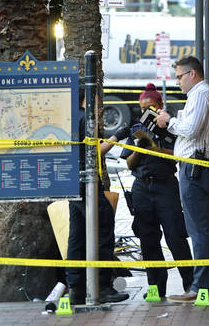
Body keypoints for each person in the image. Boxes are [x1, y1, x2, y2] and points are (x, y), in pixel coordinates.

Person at [155, 57, 209, 305]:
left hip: (196, 169)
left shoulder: (200, 94)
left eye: (179, 76)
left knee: (199, 230)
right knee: (206, 229)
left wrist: (168, 121)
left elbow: (190, 129)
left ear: (192, 74)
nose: (177, 82)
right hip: (202, 167)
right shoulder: (206, 95)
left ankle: (201, 287)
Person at [123, 84, 194, 300]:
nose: (147, 113)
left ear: (160, 105)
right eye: (143, 108)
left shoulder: (171, 127)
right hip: (142, 187)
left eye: (151, 107)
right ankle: (156, 287)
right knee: (148, 239)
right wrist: (140, 146)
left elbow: (178, 156)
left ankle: (191, 285)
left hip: (166, 186)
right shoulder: (136, 128)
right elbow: (129, 163)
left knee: (176, 237)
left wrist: (156, 147)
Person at [66, 94, 130, 306]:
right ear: (85, 98)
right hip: (86, 182)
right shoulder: (86, 119)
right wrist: (116, 137)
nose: (98, 102)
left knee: (76, 236)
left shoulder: (68, 117)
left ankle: (75, 289)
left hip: (69, 180)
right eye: (95, 97)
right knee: (102, 226)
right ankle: (103, 287)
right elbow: (94, 151)